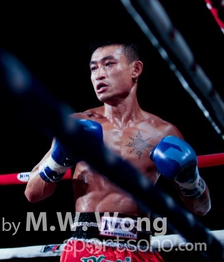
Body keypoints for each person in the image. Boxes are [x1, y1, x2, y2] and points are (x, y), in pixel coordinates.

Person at [25, 41, 211, 262]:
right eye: (93, 68)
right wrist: (57, 162)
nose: (99, 75)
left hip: (139, 247)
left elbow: (202, 208)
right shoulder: (76, 125)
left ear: (136, 69)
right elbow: (32, 193)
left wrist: (190, 179)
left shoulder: (163, 132)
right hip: (87, 247)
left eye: (109, 64)